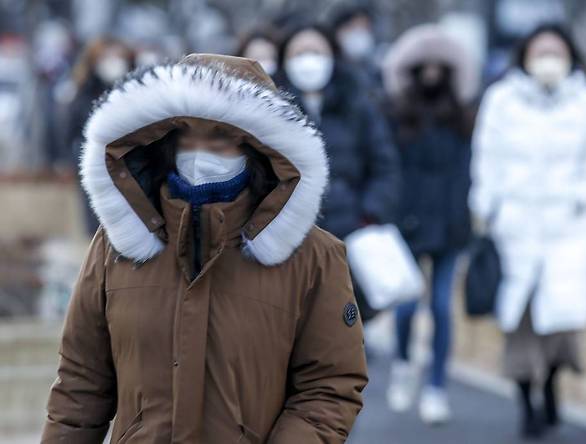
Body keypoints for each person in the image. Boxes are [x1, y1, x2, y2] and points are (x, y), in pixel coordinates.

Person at [41, 54, 368, 443]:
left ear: (256, 147)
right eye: (187, 134)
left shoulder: (312, 257)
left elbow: (329, 386)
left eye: (221, 137)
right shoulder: (116, 247)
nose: (200, 150)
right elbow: (81, 383)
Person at [470, 23, 586, 438]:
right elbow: (486, 156)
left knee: (560, 322)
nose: (548, 59)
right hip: (515, 226)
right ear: (525, 56)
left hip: (567, 228)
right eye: (540, 51)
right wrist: (488, 206)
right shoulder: (502, 100)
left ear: (569, 55)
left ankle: (551, 382)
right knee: (520, 320)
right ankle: (525, 401)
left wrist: (583, 197)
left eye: (556, 51)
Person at [382, 24, 478, 425]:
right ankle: (404, 363)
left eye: (442, 65)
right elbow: (390, 168)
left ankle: (436, 386)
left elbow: (469, 169)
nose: (434, 72)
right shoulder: (395, 113)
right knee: (406, 308)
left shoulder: (463, 116)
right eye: (426, 64)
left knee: (441, 307)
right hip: (408, 223)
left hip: (451, 224)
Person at [277, 24, 400, 321]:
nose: (309, 60)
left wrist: (371, 213)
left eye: (316, 51)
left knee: (346, 323)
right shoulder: (271, 105)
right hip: (290, 236)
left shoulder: (358, 105)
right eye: (300, 53)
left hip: (350, 231)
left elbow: (384, 165)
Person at [66, 37, 136, 235]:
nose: (113, 60)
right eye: (106, 56)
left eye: (117, 55)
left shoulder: (137, 88)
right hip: (94, 163)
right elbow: (71, 129)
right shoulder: (83, 91)